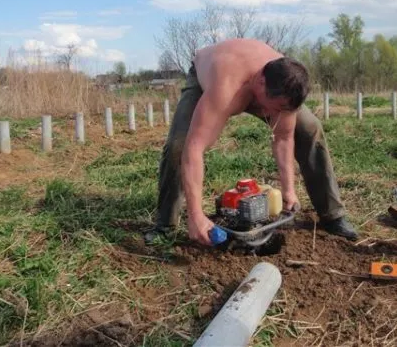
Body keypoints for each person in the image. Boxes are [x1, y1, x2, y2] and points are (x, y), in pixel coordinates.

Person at [144, 38, 359, 246]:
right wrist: (196, 215)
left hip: (265, 84)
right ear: (260, 83)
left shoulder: (284, 83)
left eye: (282, 110)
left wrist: (289, 190)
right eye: (275, 109)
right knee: (179, 145)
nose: (273, 115)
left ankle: (332, 215)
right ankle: (165, 225)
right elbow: (195, 148)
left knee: (310, 128)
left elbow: (283, 137)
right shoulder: (225, 86)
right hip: (207, 77)